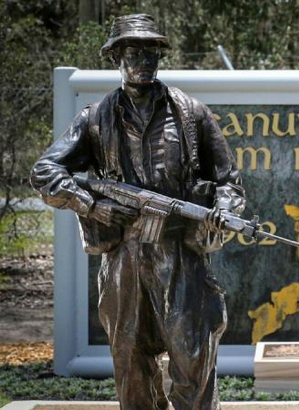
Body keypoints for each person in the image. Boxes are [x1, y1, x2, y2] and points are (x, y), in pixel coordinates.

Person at [30, 14, 245, 410]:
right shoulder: (95, 118)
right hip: (124, 259)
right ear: (116, 58)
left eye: (151, 52)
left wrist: (224, 209)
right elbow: (44, 171)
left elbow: (229, 180)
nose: (143, 60)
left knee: (193, 359)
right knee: (130, 364)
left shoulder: (192, 113)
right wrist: (90, 204)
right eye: (132, 52)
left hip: (181, 255)